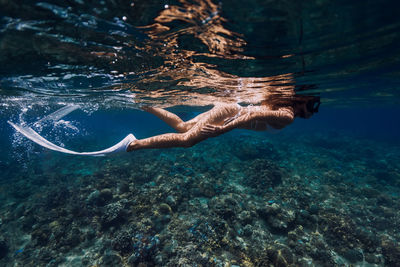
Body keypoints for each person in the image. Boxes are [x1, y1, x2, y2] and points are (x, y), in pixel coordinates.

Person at [126, 95, 320, 151]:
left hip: (229, 109)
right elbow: (251, 117)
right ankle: (134, 144)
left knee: (183, 128)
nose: (314, 112)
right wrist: (223, 129)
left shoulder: (283, 108)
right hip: (230, 112)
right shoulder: (287, 116)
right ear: (303, 102)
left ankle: (143, 103)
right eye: (314, 105)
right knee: (187, 140)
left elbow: (254, 116)